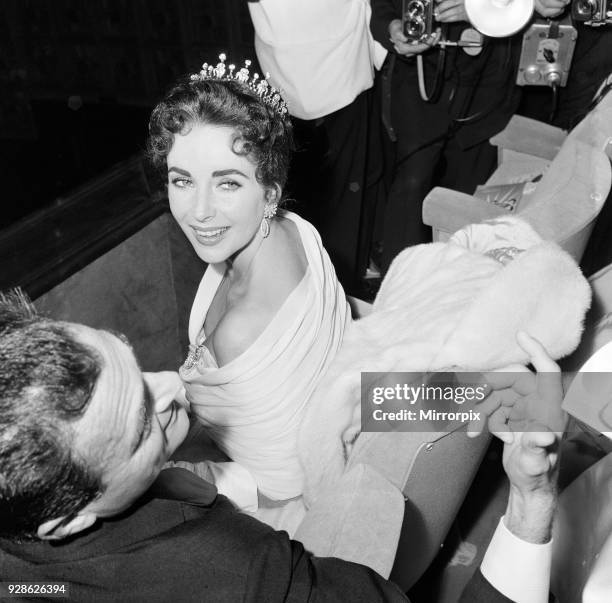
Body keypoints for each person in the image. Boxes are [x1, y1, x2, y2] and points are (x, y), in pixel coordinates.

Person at [0, 291, 563, 601]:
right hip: (312, 523)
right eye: (140, 423)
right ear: (67, 521)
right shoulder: (242, 574)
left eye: (225, 181)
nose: (172, 381)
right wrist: (531, 499)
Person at [148, 58, 350, 528]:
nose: (199, 211)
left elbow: (276, 488)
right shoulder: (292, 229)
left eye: (228, 183)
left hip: (280, 509)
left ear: (271, 192)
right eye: (182, 180)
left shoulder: (241, 330)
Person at [369, 0, 569, 273]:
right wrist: (390, 28)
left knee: (470, 201)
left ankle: (459, 291)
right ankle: (396, 293)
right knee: (410, 188)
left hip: (490, 84)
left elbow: (553, 6)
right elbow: (382, 8)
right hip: (421, 76)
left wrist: (482, 6)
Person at [247, 0, 388, 294]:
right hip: (318, 54)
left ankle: (333, 280)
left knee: (338, 181)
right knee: (328, 190)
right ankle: (334, 289)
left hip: (319, 51)